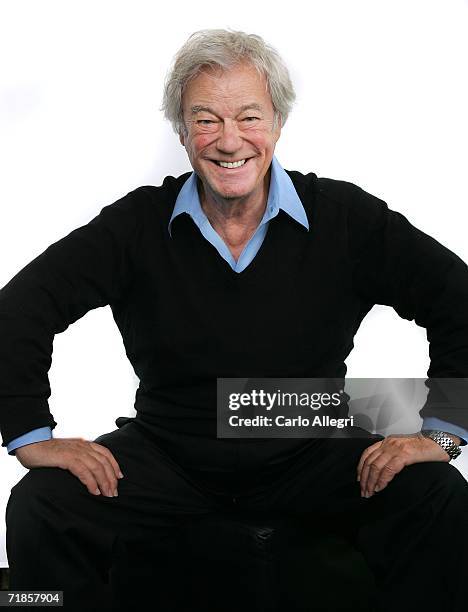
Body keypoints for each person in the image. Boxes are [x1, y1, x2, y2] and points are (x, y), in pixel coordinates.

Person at [1, 28, 468, 612]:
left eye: (248, 117)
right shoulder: (136, 225)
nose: (228, 141)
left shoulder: (345, 219)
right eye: (205, 120)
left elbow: (458, 299)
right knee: (38, 505)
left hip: (310, 447)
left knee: (438, 494)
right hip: (170, 452)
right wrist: (31, 437)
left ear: (276, 124)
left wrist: (443, 433)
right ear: (182, 132)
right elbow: (19, 310)